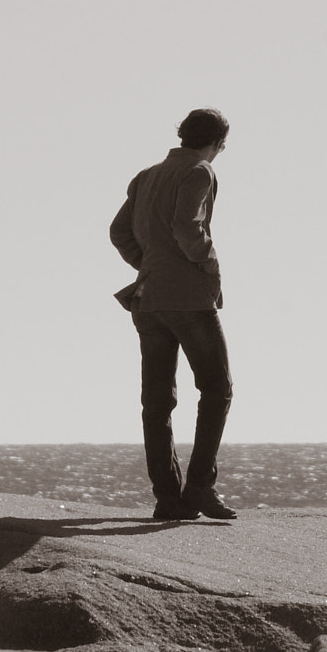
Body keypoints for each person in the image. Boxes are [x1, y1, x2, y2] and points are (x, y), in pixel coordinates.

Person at [109, 108, 236, 521]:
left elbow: (119, 232)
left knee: (157, 400)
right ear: (217, 142)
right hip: (188, 300)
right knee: (217, 390)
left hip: (148, 301)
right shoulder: (200, 171)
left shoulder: (147, 175)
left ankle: (167, 498)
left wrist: (149, 263)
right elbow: (188, 227)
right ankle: (199, 488)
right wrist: (209, 261)